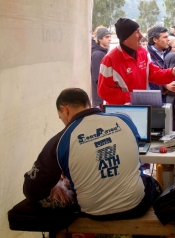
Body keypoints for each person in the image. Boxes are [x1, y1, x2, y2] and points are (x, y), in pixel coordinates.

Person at [22, 88, 162, 220]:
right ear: (88, 103)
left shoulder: (60, 141)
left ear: (65, 110)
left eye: (61, 117)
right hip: (136, 206)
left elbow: (31, 188)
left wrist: (57, 182)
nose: (64, 122)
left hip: (94, 212)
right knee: (148, 181)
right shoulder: (123, 120)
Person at [97, 18, 175, 105]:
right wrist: (133, 98)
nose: (141, 35)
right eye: (137, 32)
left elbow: (155, 74)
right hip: (120, 114)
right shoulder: (109, 59)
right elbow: (104, 92)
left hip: (141, 108)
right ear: (126, 38)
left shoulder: (143, 52)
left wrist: (172, 72)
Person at [91, 27, 111, 108]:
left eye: (110, 36)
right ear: (99, 39)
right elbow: (97, 78)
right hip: (99, 99)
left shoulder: (103, 52)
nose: (109, 39)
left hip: (103, 97)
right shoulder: (97, 54)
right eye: (107, 37)